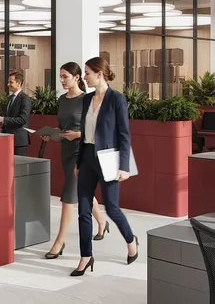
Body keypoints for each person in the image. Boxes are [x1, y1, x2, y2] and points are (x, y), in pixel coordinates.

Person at [72, 57, 138, 277]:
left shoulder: (117, 99)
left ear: (99, 73)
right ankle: (85, 256)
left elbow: (124, 135)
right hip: (87, 158)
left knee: (111, 208)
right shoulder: (86, 99)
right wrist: (79, 161)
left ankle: (130, 239)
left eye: (87, 73)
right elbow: (84, 134)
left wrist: (124, 166)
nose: (84, 77)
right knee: (83, 209)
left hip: (109, 159)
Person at [42, 62, 108, 260]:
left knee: (68, 197)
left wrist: (77, 134)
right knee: (83, 191)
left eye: (65, 77)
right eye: (60, 77)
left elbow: (98, 129)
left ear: (77, 77)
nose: (62, 80)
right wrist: (52, 134)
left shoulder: (87, 99)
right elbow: (62, 127)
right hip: (66, 150)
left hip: (81, 152)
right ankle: (103, 222)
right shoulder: (62, 100)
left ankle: (59, 242)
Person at [0, 72, 32, 156]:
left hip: (18, 141)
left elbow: (23, 119)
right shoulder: (10, 98)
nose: (8, 84)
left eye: (11, 82)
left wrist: (3, 119)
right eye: (8, 82)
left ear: (19, 83)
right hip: (7, 138)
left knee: (18, 167)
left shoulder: (25, 98)